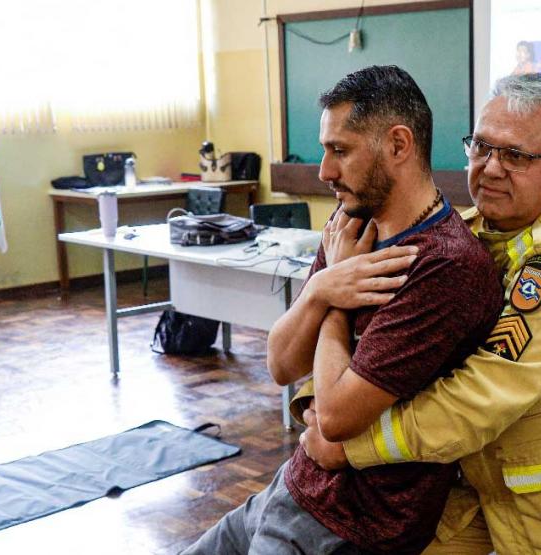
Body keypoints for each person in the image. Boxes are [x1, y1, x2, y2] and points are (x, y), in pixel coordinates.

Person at [298, 73, 541, 555]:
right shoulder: (464, 234)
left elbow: (478, 397)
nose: (491, 168)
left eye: (516, 156)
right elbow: (376, 339)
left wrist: (350, 446)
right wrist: (322, 402)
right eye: (481, 147)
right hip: (493, 501)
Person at [181, 65, 503, 555]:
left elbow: (332, 417)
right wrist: (321, 289)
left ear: (399, 145)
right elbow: (281, 363)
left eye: (340, 150)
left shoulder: (446, 264)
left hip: (354, 528)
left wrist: (333, 296)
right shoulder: (348, 224)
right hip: (292, 488)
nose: (324, 171)